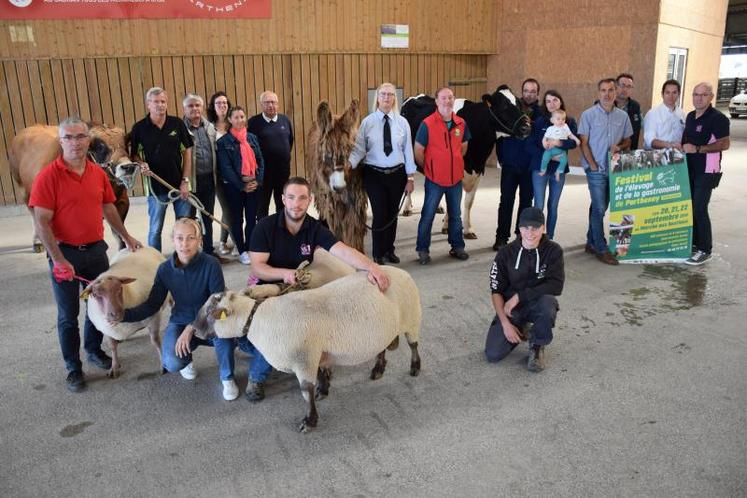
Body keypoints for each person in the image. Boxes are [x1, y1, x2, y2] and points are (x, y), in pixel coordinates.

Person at [247, 176, 390, 401]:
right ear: (283, 199)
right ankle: (256, 377)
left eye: (302, 198)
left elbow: (342, 250)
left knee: (314, 323)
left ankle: (313, 361)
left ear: (310, 200)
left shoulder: (314, 228)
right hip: (270, 284)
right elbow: (258, 268)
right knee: (274, 332)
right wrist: (283, 274)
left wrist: (372, 267)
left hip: (298, 285)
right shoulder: (265, 227)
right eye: (292, 197)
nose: (297, 203)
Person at [29, 116, 142, 392]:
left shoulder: (97, 173)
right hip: (64, 254)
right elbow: (41, 221)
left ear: (88, 140)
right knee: (68, 314)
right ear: (60, 141)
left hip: (96, 251)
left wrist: (125, 237)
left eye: (80, 137)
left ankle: (93, 350)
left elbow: (109, 207)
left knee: (98, 308)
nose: (75, 143)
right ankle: (73, 368)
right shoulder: (48, 176)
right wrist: (58, 260)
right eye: (68, 137)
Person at [119, 218, 248, 401]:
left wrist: (192, 327)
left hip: (213, 318)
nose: (185, 244)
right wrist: (123, 315)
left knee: (225, 338)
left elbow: (218, 303)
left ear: (199, 241)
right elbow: (152, 304)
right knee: (171, 362)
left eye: (191, 238)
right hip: (181, 320)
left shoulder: (211, 264)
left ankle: (227, 377)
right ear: (173, 240)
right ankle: (186, 361)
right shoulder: (164, 269)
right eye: (179, 238)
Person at [485, 207, 564, 372]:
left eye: (535, 227)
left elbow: (556, 285)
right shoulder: (505, 253)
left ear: (544, 228)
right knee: (493, 354)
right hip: (511, 309)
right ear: (519, 228)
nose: (530, 232)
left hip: (537, 303)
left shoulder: (553, 251)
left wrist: (520, 296)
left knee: (548, 304)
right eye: (525, 227)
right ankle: (521, 326)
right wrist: (506, 324)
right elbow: (496, 291)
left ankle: (537, 344)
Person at [349, 82, 416, 264]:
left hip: (397, 174)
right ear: (377, 98)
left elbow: (408, 151)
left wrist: (410, 177)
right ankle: (378, 253)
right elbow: (359, 150)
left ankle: (389, 250)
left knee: (392, 214)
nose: (387, 97)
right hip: (374, 175)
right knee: (379, 214)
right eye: (383, 94)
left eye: (390, 94)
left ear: (395, 98)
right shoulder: (368, 122)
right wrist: (347, 165)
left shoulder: (402, 123)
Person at [129, 87, 194, 252]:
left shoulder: (177, 124)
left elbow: (187, 151)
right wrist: (140, 163)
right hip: (155, 188)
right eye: (156, 102)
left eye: (163, 101)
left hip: (179, 186)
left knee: (184, 226)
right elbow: (134, 155)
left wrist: (185, 181)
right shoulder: (139, 128)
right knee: (155, 228)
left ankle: (184, 257)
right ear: (148, 104)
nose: (160, 105)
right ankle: (155, 262)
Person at [413, 86, 471, 265]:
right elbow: (418, 151)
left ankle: (457, 246)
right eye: (444, 98)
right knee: (428, 215)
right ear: (436, 102)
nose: (448, 101)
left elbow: (464, 146)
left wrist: (452, 162)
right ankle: (423, 250)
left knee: (455, 215)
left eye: (450, 98)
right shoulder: (427, 124)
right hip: (434, 180)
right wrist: (430, 167)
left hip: (455, 180)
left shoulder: (461, 123)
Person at [578, 78, 633, 265]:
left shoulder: (623, 117)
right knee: (600, 207)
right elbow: (583, 143)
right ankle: (601, 248)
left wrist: (619, 146)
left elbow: (628, 141)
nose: (607, 94)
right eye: (603, 90)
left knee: (599, 206)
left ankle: (590, 241)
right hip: (595, 169)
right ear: (598, 93)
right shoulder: (588, 115)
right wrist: (592, 165)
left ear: (615, 92)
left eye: (611, 90)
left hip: (614, 170)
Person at [681, 82, 730, 266]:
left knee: (700, 208)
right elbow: (687, 140)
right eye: (695, 94)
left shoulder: (717, 118)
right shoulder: (691, 116)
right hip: (690, 168)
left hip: (707, 170)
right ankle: (695, 244)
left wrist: (698, 149)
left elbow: (724, 144)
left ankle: (705, 249)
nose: (698, 98)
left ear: (711, 97)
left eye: (703, 95)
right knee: (691, 207)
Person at [493, 78, 542, 250]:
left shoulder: (541, 114)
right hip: (510, 165)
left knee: (526, 203)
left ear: (538, 93)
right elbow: (498, 133)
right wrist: (501, 156)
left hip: (529, 167)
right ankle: (501, 237)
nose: (529, 94)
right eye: (526, 91)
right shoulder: (512, 108)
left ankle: (520, 237)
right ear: (522, 92)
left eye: (533, 91)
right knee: (505, 201)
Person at [216, 106, 265, 265]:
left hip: (253, 185)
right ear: (230, 120)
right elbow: (226, 168)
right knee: (237, 219)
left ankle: (249, 247)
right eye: (236, 117)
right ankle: (242, 249)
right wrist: (242, 185)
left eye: (242, 117)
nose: (240, 120)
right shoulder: (223, 142)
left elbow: (260, 161)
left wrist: (257, 180)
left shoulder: (252, 138)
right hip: (235, 187)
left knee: (252, 218)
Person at [529, 90, 578, 240]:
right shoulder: (539, 122)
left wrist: (558, 143)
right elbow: (531, 144)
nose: (551, 104)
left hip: (559, 169)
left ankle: (549, 237)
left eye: (555, 100)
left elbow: (572, 143)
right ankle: (537, 237)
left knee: (553, 206)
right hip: (540, 169)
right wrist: (548, 154)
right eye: (548, 101)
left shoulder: (569, 122)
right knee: (539, 204)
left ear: (560, 101)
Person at [182, 93, 223, 260]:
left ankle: (208, 251)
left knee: (208, 216)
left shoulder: (210, 127)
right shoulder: (180, 128)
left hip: (208, 179)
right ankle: (189, 254)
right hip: (190, 182)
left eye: (197, 105)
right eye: (190, 106)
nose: (194, 109)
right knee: (189, 219)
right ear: (184, 109)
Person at [247, 90, 295, 220]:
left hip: (282, 172)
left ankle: (281, 232)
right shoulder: (253, 123)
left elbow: (290, 141)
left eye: (273, 102)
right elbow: (248, 147)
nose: (270, 105)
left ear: (278, 104)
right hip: (263, 174)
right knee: (262, 205)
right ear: (261, 105)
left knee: (282, 203)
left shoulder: (285, 120)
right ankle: (264, 233)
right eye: (267, 102)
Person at [207, 91, 234, 256]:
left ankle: (223, 241)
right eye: (219, 103)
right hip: (217, 174)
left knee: (230, 209)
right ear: (213, 106)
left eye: (225, 103)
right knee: (227, 208)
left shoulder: (234, 124)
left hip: (233, 173)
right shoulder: (209, 127)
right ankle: (238, 243)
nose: (222, 106)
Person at [643, 79, 685, 150]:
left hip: (678, 157)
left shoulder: (682, 114)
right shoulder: (652, 114)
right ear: (662, 94)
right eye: (667, 93)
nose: (671, 96)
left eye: (674, 93)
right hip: (656, 157)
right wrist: (670, 145)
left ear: (679, 94)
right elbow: (650, 141)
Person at [538, 109, 580, 180]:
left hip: (561, 150)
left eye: (563, 119)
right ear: (552, 120)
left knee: (564, 161)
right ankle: (543, 170)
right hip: (551, 149)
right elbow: (545, 138)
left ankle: (558, 172)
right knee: (545, 158)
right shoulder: (550, 129)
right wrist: (544, 143)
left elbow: (570, 135)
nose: (561, 121)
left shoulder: (565, 127)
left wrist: (576, 139)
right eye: (558, 119)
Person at [615, 73, 642, 150]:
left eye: (629, 86)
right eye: (622, 85)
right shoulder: (606, 105)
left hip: (629, 153)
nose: (625, 89)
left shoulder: (635, 106)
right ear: (616, 86)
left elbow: (640, 126)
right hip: (609, 153)